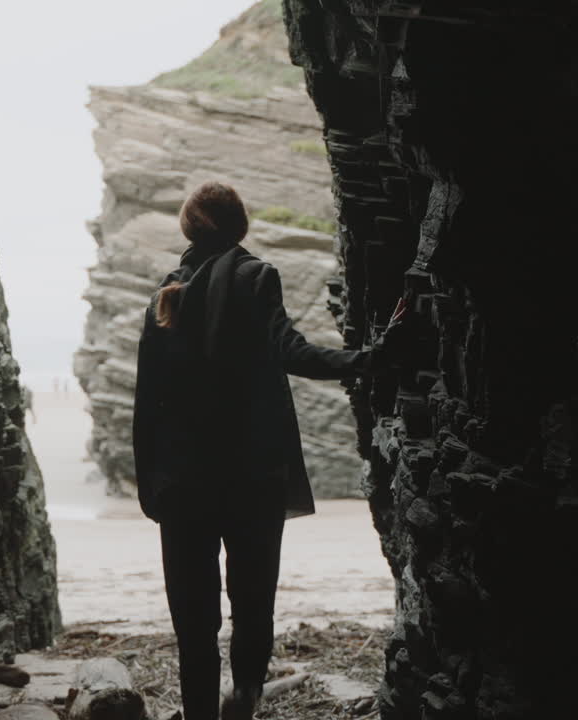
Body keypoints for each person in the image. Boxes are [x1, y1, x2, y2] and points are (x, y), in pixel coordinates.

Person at [133, 181, 406, 720]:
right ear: (240, 227)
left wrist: (153, 485)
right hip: (250, 476)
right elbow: (292, 352)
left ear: (189, 229)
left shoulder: (165, 292)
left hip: (183, 484)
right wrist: (370, 358)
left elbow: (148, 403)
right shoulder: (255, 277)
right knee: (252, 600)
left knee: (193, 618)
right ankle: (246, 699)